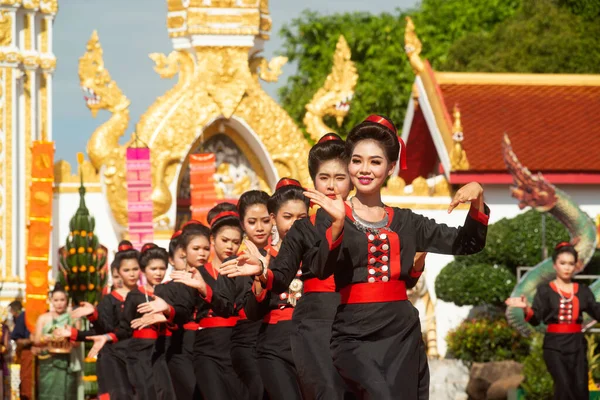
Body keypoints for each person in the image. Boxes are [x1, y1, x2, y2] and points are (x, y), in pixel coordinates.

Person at [302, 115, 489, 399]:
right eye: (357, 160)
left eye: (375, 162)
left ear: (390, 168)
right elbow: (320, 267)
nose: (364, 169)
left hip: (401, 333)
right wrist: (338, 225)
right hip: (354, 333)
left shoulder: (407, 222)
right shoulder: (330, 217)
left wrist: (477, 198)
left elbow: (468, 243)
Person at [505, 242, 600, 400]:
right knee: (564, 388)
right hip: (554, 346)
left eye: (571, 264)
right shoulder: (545, 291)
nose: (567, 267)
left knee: (581, 390)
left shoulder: (583, 291)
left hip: (577, 345)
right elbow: (536, 319)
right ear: (555, 265)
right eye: (563, 263)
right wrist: (526, 308)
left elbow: (597, 311)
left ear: (575, 266)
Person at [243, 178, 309, 400]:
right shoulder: (258, 258)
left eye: (301, 218)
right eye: (287, 217)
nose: (295, 224)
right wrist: (260, 278)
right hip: (274, 342)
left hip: (312, 339)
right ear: (273, 219)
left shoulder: (318, 254)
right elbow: (252, 312)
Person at [171, 208, 245, 399]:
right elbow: (183, 308)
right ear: (212, 240)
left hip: (238, 343)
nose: (230, 246)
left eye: (235, 242)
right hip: (208, 347)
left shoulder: (244, 271)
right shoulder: (198, 273)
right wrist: (166, 309)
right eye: (224, 240)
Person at [33, 286, 81, 400]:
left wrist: (67, 338)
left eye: (62, 300)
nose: (59, 303)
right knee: (48, 393)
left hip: (68, 361)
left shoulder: (73, 318)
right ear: (51, 301)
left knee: (67, 393)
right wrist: (51, 338)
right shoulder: (44, 318)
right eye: (56, 300)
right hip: (48, 361)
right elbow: (36, 340)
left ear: (67, 301)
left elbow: (78, 341)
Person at [9, 300, 33, 400]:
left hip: (44, 354)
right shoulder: (23, 317)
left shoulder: (48, 315)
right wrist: (30, 341)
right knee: (27, 383)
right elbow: (17, 338)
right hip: (28, 353)